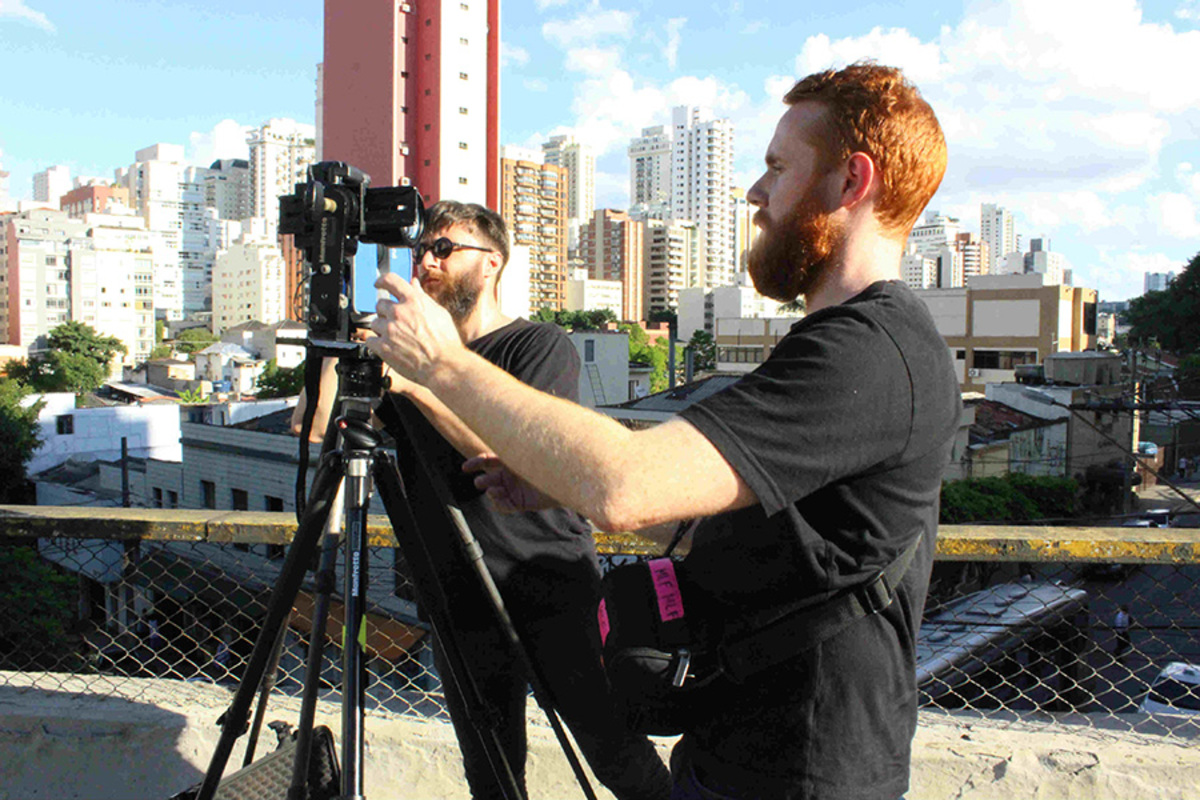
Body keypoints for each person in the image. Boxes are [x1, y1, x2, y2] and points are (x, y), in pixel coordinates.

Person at [366, 62, 961, 799]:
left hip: (804, 774)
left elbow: (627, 484)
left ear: (851, 182)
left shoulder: (870, 354)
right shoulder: (843, 343)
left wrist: (440, 365)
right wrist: (553, 482)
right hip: (739, 752)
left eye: (778, 168)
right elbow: (740, 522)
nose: (755, 192)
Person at [292, 200, 670, 800]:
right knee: (491, 774)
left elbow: (513, 459)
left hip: (548, 589)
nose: (427, 262)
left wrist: (422, 383)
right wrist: (336, 335)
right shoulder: (407, 363)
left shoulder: (537, 348)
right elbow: (313, 428)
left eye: (444, 248)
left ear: (491, 262)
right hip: (454, 602)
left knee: (613, 751)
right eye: (421, 251)